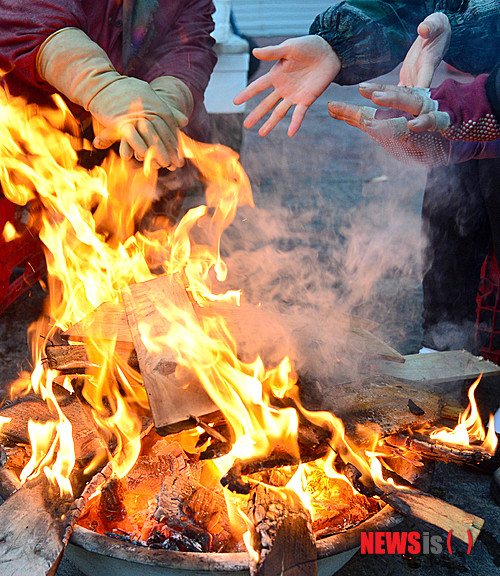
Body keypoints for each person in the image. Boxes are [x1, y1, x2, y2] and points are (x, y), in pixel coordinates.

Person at [233, 1, 500, 355]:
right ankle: (443, 354)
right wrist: (338, 42)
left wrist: (476, 106)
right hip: (479, 98)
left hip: (487, 101)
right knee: (453, 223)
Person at [0, 0, 218, 225]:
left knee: (130, 246)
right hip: (24, 131)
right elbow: (22, 12)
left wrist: (169, 97)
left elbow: (189, 39)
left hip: (122, 142)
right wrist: (98, 84)